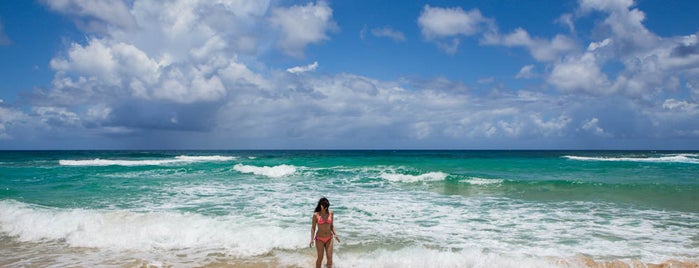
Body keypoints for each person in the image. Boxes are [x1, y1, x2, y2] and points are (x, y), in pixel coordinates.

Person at [310, 197, 340, 268]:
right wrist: (311, 239)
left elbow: (332, 226)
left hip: (329, 238)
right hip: (319, 239)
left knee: (330, 258)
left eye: (327, 206)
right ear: (320, 205)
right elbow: (313, 227)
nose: (325, 208)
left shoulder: (331, 213)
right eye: (324, 206)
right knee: (320, 258)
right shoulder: (316, 215)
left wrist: (335, 235)